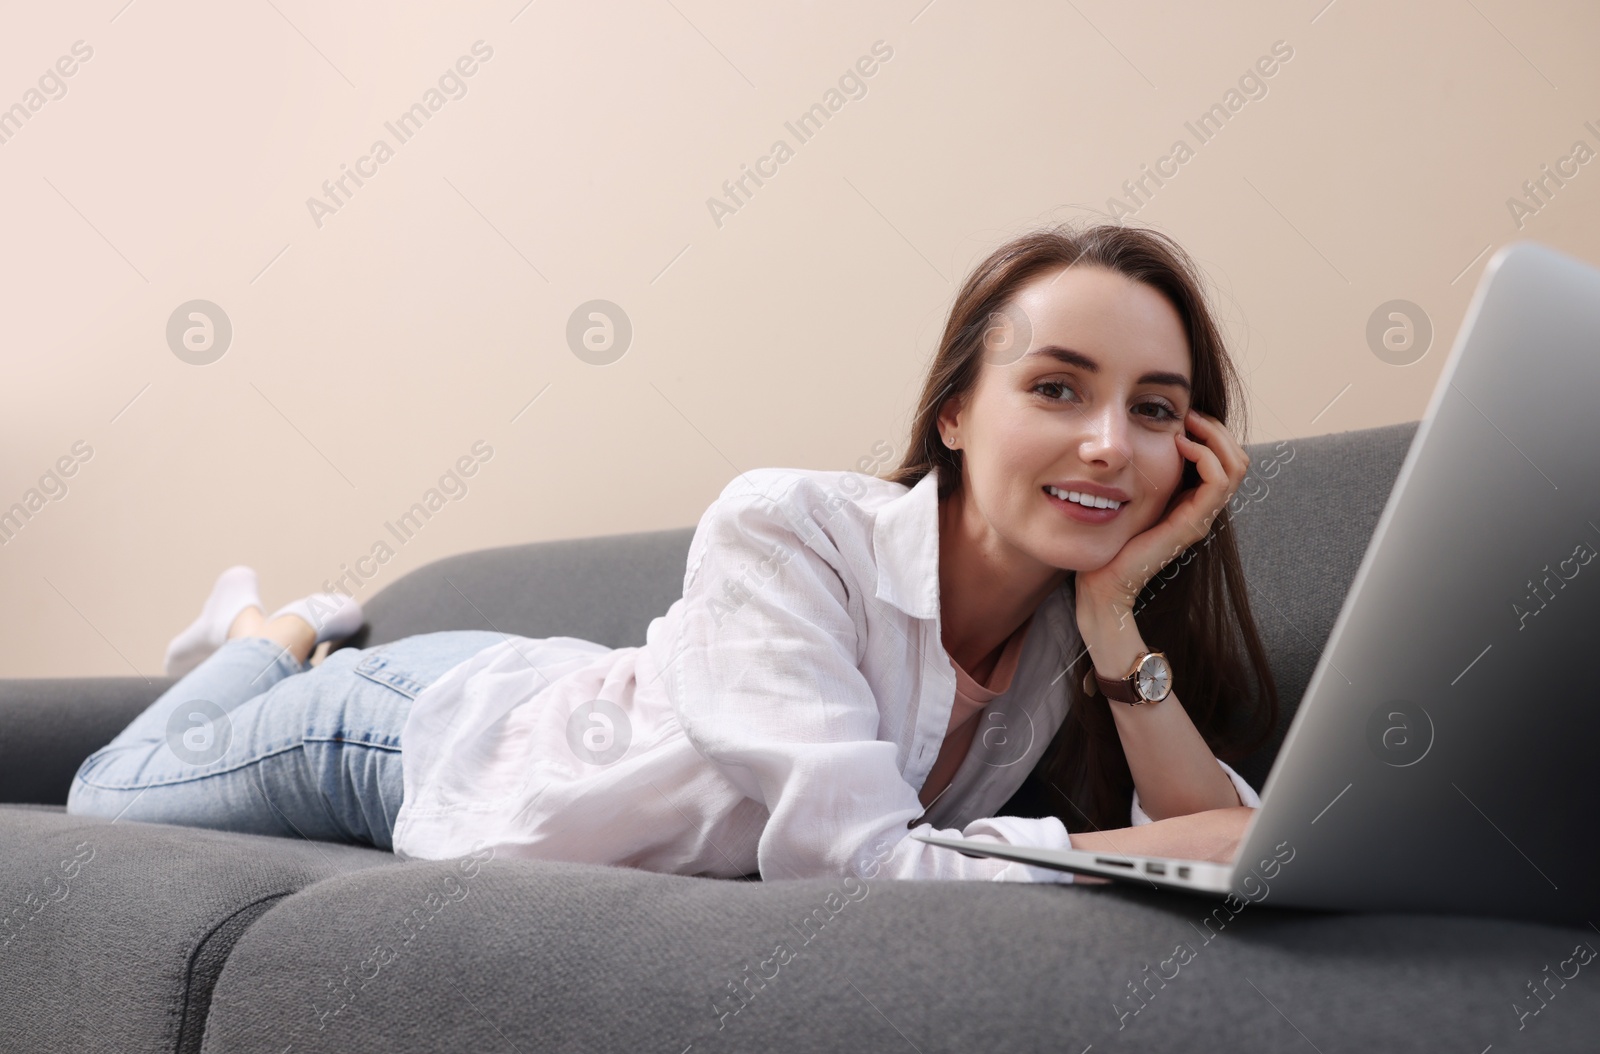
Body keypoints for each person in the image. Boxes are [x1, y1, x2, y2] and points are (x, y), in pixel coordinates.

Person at [67, 220, 1279, 883]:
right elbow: (850, 860)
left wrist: (1119, 617)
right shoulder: (788, 526)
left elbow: (1227, 836)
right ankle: (269, 634)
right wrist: (1155, 845)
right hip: (403, 730)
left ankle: (270, 637)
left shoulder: (1075, 623)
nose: (1111, 442)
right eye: (1058, 386)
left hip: (545, 676)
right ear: (956, 413)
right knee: (103, 798)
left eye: (1158, 408)